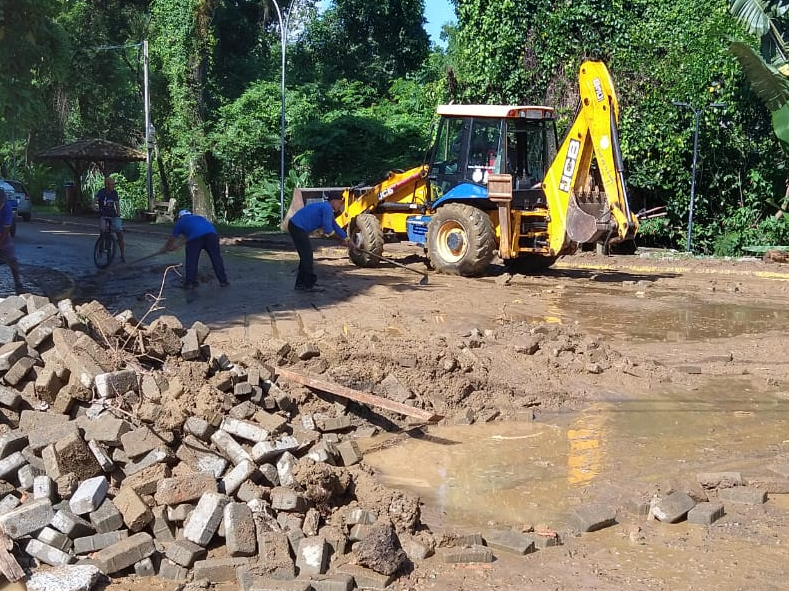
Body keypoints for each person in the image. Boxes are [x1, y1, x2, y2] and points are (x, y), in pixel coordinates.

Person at [287, 195, 354, 292]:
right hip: (297, 227)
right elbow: (329, 231)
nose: (340, 206)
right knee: (307, 257)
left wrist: (348, 240)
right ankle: (307, 285)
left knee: (306, 256)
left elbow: (335, 226)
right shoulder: (327, 208)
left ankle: (302, 284)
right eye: (340, 203)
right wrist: (340, 240)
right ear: (334, 201)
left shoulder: (325, 207)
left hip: (296, 226)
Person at [161, 209, 229, 289]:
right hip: (212, 236)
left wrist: (166, 248)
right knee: (216, 258)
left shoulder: (180, 222)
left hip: (196, 239)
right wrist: (178, 245)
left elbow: (173, 238)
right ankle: (223, 281)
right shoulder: (199, 218)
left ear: (180, 217)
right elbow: (189, 235)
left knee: (191, 260)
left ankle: (190, 283)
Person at [95, 176, 126, 262]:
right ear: (107, 185)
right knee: (103, 229)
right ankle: (100, 248)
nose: (114, 186)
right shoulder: (101, 192)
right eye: (112, 184)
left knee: (119, 232)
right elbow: (94, 202)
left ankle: (122, 254)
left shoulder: (114, 193)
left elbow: (117, 204)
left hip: (113, 215)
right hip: (103, 214)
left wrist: (119, 213)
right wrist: (94, 207)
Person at [0, 187, 23, 295]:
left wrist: (0, 245)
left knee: (12, 259)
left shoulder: (7, 208)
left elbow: (6, 229)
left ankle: (18, 283)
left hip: (2, 235)